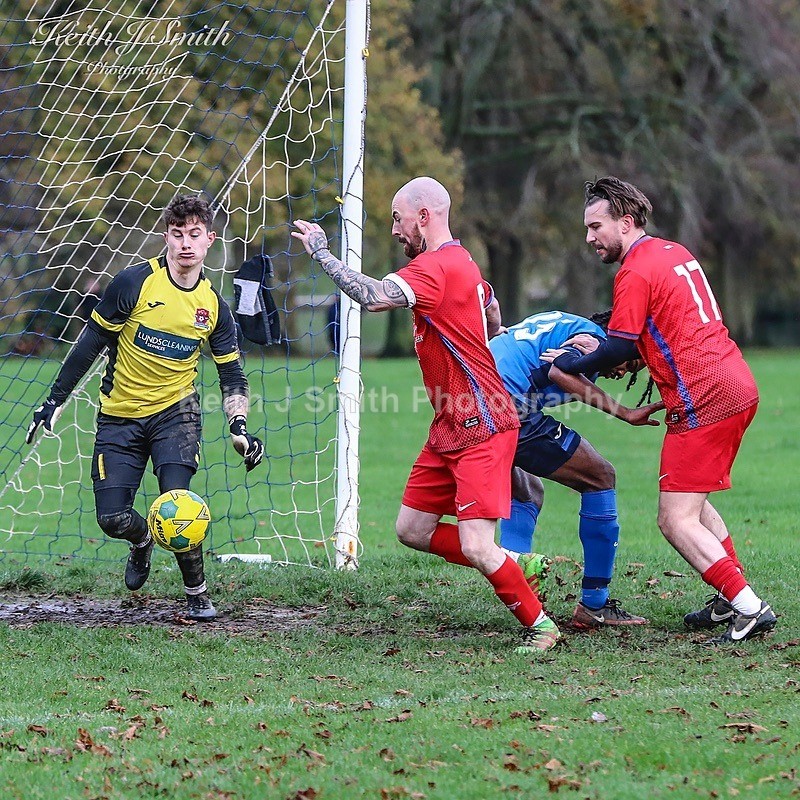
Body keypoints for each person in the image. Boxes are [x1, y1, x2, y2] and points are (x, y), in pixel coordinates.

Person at [292, 176, 560, 653]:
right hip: (451, 423)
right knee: (411, 530)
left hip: (482, 425)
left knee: (478, 545)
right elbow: (492, 313)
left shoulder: (437, 267)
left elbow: (373, 297)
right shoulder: (465, 267)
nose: (394, 230)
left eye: (397, 219)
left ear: (423, 216)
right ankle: (514, 561)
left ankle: (541, 627)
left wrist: (321, 252)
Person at [542, 176, 775, 645]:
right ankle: (731, 598)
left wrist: (573, 362)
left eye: (596, 226)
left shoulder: (634, 271)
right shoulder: (673, 251)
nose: (589, 238)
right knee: (694, 503)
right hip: (735, 382)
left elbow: (620, 346)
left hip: (704, 395)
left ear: (626, 223)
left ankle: (748, 607)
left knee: (674, 518)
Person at [26, 195, 264, 621]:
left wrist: (239, 425)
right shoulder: (133, 284)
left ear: (210, 240)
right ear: (165, 237)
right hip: (119, 417)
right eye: (177, 235)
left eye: (194, 235)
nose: (185, 244)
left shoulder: (214, 308)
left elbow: (233, 377)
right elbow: (89, 346)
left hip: (177, 416)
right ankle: (141, 542)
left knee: (180, 502)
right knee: (112, 518)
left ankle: (197, 593)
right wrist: (53, 401)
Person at [491, 309, 662, 628]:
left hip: (471, 396)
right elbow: (561, 371)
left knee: (528, 491)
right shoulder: (593, 340)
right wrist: (624, 412)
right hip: (506, 405)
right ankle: (594, 606)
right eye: (630, 362)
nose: (623, 372)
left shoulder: (573, 325)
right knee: (600, 477)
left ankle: (519, 592)